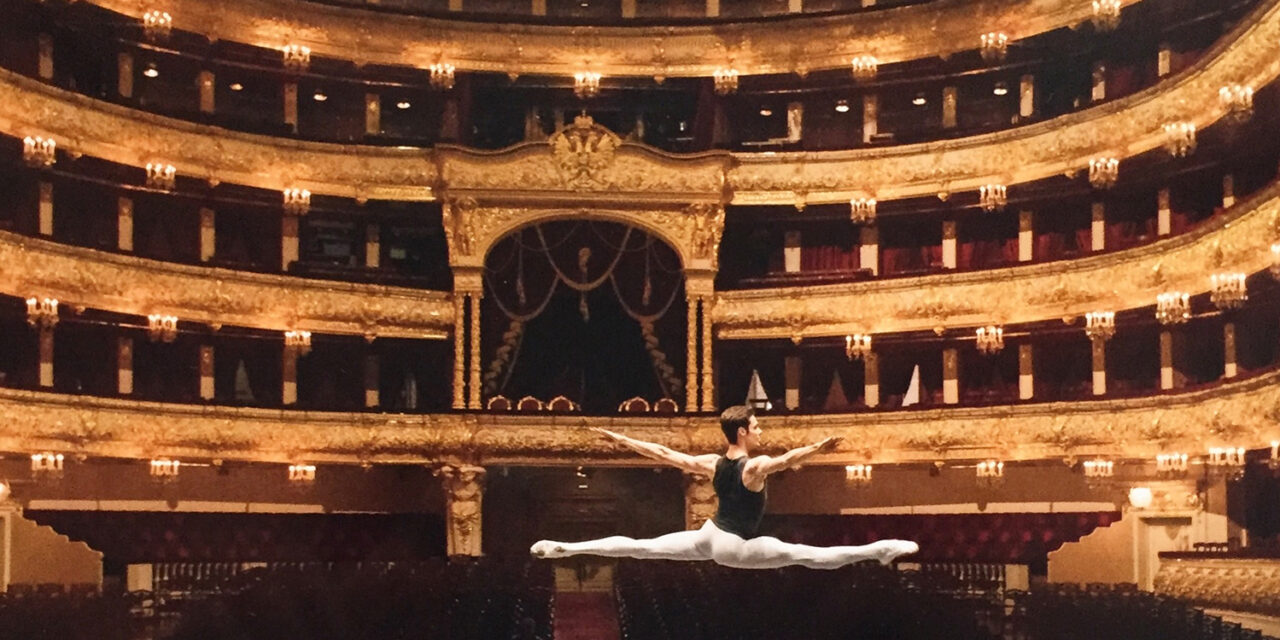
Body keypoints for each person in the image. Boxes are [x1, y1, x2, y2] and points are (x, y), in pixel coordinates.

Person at [530, 405, 919, 569]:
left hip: (708, 534)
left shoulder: (710, 463)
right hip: (733, 546)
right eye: (756, 425)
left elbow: (664, 453)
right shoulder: (755, 467)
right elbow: (788, 460)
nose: (761, 430)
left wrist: (623, 440)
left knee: (640, 548)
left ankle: (566, 548)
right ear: (742, 431)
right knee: (808, 555)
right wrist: (818, 447)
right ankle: (879, 550)